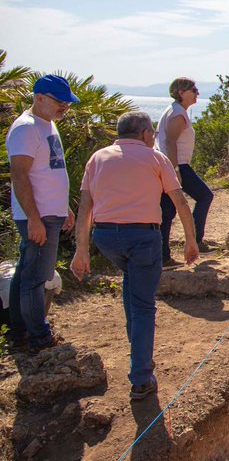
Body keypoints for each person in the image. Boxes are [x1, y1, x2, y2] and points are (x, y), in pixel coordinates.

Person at [71, 111, 199, 400]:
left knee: (132, 287)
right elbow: (179, 200)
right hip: (142, 237)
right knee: (143, 305)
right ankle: (141, 378)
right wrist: (190, 241)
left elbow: (85, 207)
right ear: (143, 133)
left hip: (105, 238)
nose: (153, 137)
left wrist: (81, 250)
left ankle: (138, 350)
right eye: (152, 133)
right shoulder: (155, 158)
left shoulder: (98, 158)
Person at [5, 75, 79, 350]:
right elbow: (20, 176)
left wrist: (65, 208)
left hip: (49, 214)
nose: (65, 107)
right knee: (36, 278)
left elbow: (50, 170)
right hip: (37, 217)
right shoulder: (26, 128)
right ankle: (38, 337)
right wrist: (34, 219)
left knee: (26, 274)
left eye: (67, 103)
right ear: (39, 98)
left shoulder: (45, 123)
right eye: (59, 101)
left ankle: (19, 332)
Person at [156, 78, 214, 265]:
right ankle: (195, 241)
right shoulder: (177, 114)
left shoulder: (176, 111)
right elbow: (170, 142)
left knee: (167, 210)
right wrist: (174, 170)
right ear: (181, 92)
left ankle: (164, 255)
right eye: (193, 90)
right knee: (204, 196)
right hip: (177, 165)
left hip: (172, 164)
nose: (197, 93)